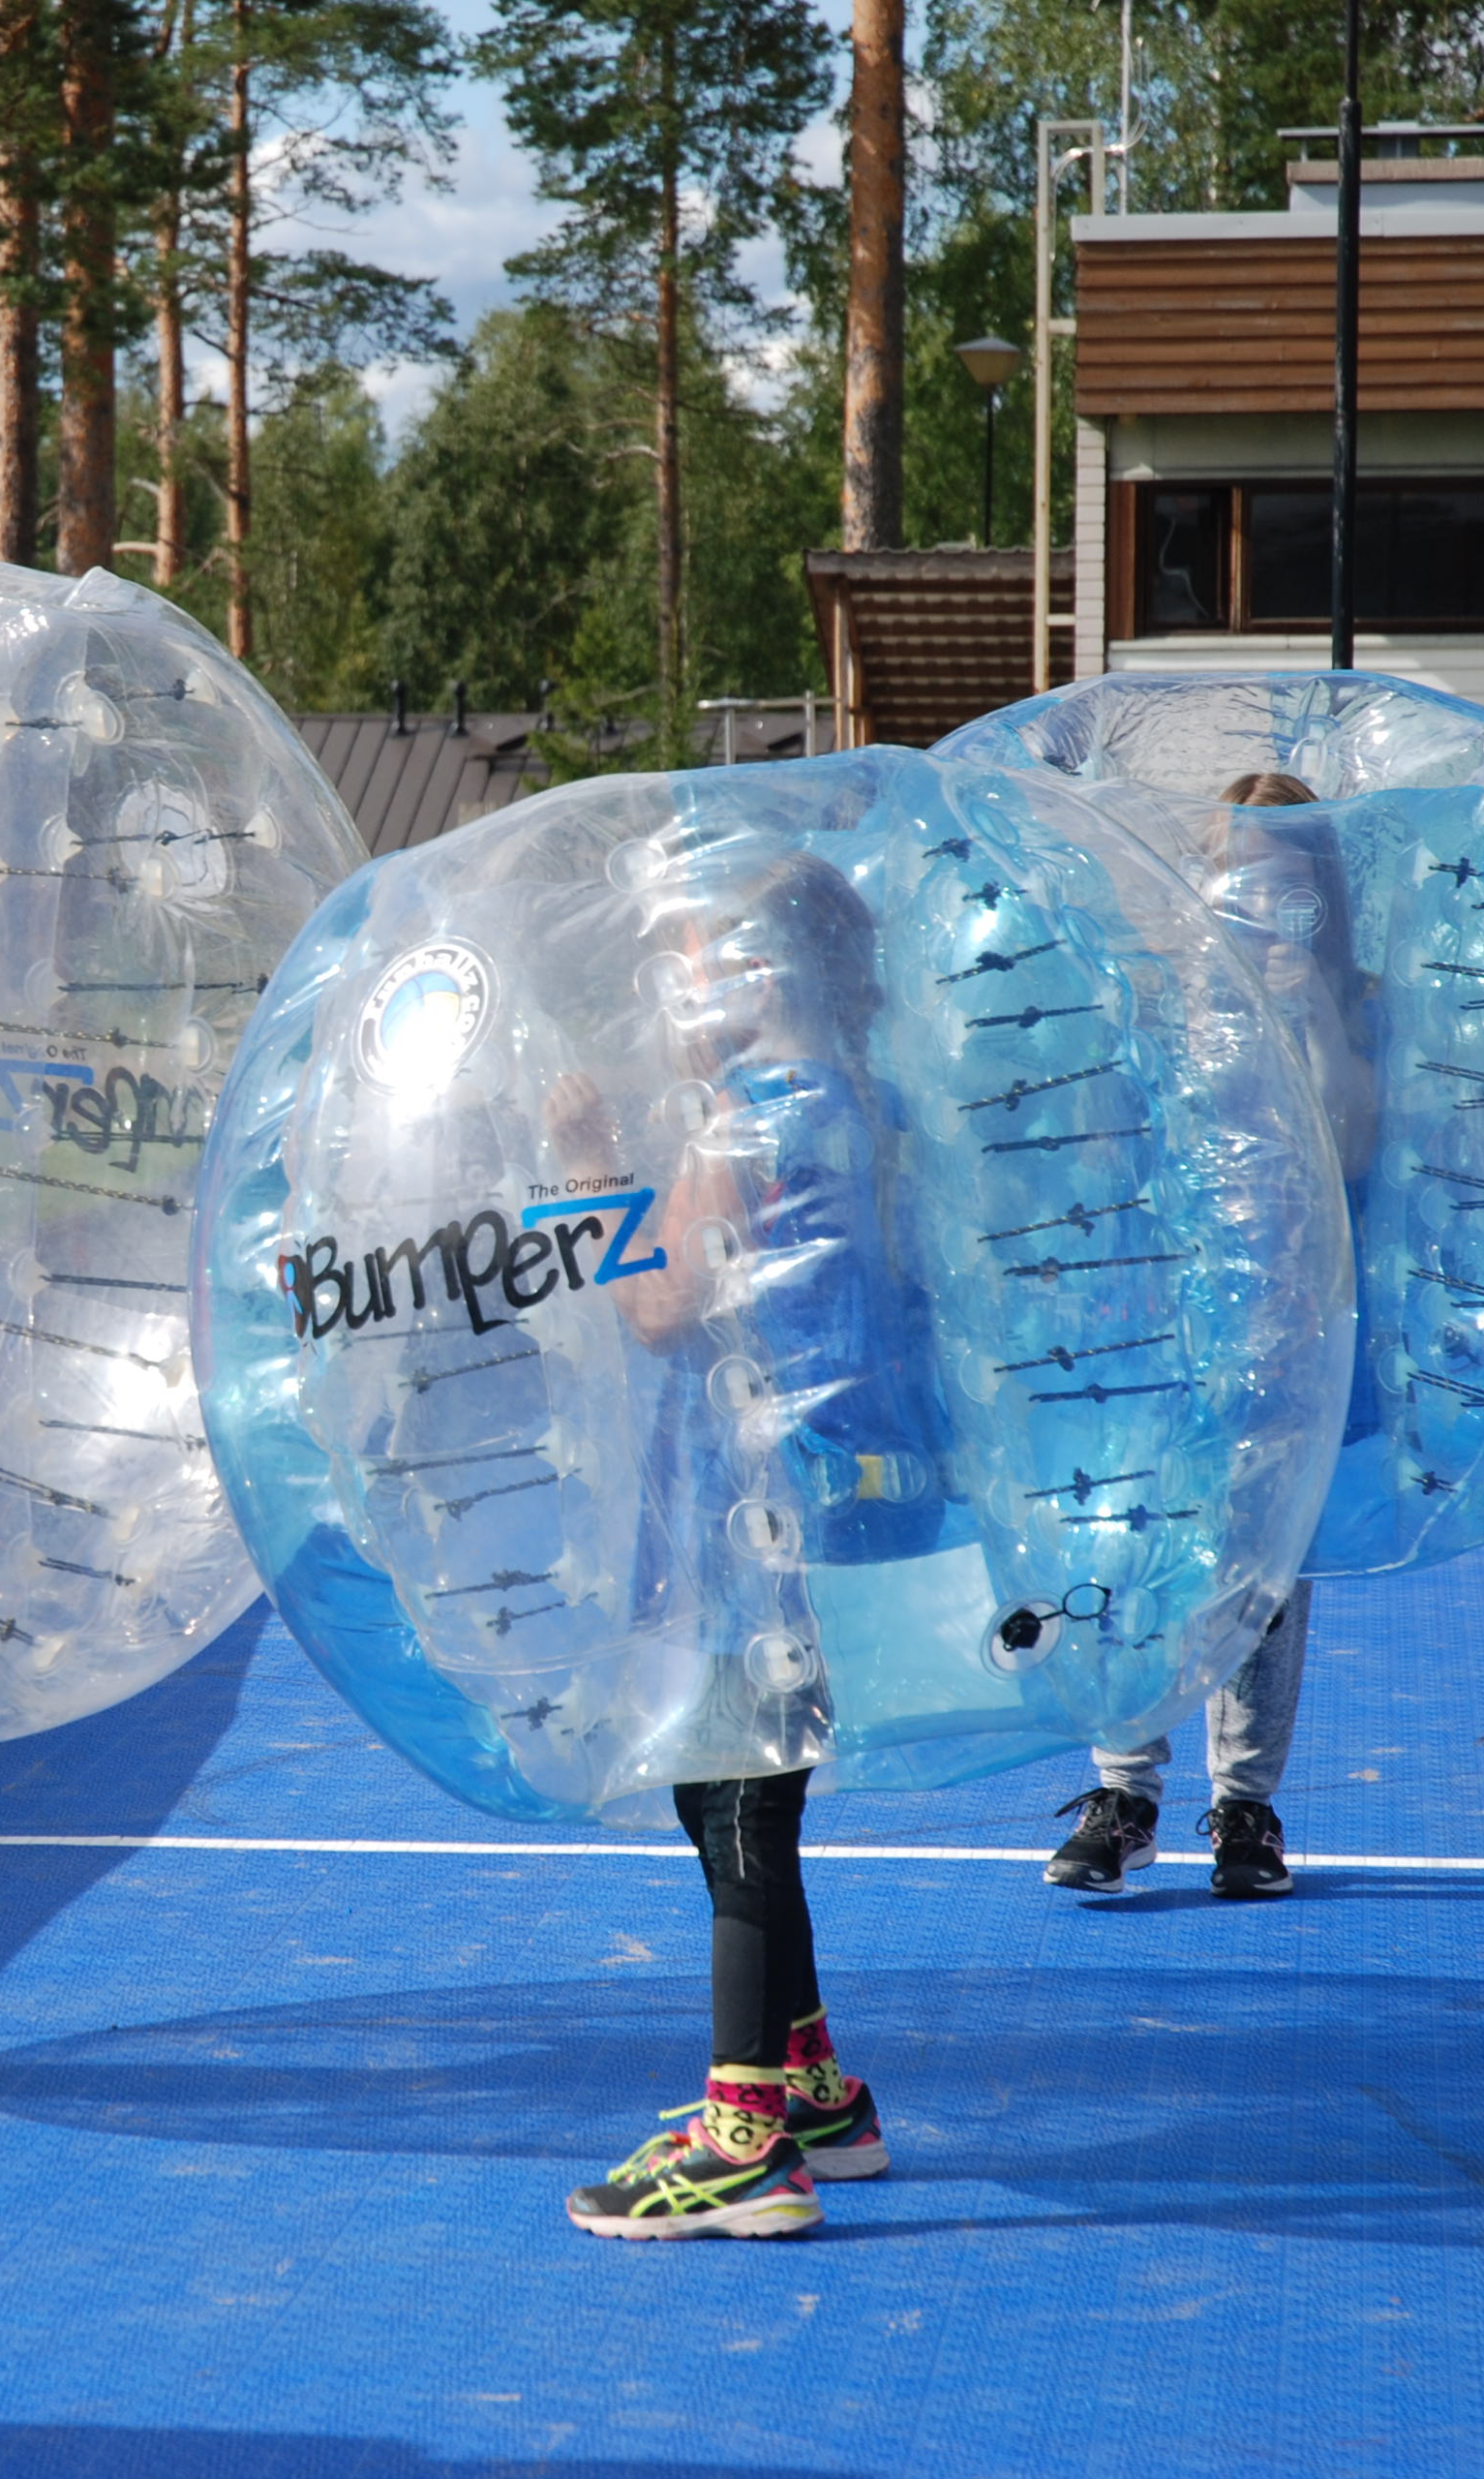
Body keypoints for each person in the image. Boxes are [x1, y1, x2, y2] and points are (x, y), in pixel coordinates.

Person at [546, 852, 908, 2239]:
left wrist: (588, 1167)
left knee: (740, 1792)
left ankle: (745, 2140)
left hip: (763, 1516)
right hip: (801, 1499)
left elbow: (656, 1309)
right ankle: (809, 2085)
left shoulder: (754, 1111)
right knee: (734, 1789)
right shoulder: (842, 1091)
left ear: (763, 972)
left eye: (698, 959)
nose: (680, 987)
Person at [1045, 771, 1355, 1902]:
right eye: (1239, 886)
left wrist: (1312, 1012)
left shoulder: (1342, 1002)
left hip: (1286, 1326)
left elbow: (1359, 1143)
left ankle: (1244, 1808)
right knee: (1132, 1544)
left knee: (1261, 1570)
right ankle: (1122, 1791)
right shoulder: (1161, 1005)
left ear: (1316, 898)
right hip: (1157, 1325)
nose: (1259, 913)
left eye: (1284, 890)